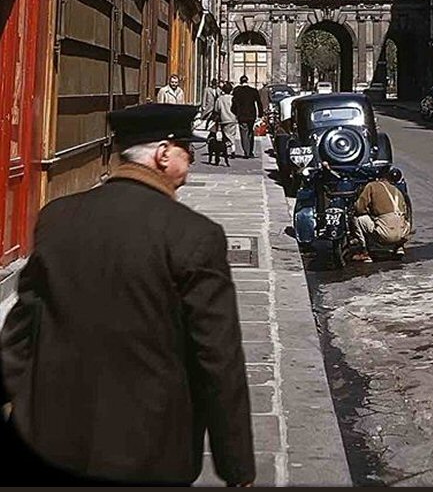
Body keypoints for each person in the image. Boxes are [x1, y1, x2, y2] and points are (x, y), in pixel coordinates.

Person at [0, 103, 255, 487]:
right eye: (187, 149)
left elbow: (22, 329)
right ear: (163, 154)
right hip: (148, 452)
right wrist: (237, 468)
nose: (190, 162)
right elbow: (218, 358)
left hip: (49, 438)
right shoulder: (194, 235)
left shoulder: (58, 217)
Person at [351, 164, 411, 263]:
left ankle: (365, 252)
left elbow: (359, 208)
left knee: (358, 219)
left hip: (386, 233)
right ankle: (399, 248)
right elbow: (405, 212)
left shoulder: (371, 186)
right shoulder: (397, 190)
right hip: (402, 232)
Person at [231, 75, 262, 159]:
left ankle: (246, 151)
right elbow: (259, 103)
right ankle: (250, 151)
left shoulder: (237, 91)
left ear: (240, 81)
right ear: (247, 81)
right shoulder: (253, 91)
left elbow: (233, 103)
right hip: (251, 115)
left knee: (244, 133)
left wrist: (235, 113)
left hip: (241, 115)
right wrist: (260, 114)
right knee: (250, 132)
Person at [212, 82, 238, 165]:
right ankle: (233, 149)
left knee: (225, 136)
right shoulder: (233, 98)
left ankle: (226, 149)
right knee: (232, 135)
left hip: (223, 119)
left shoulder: (220, 99)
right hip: (232, 119)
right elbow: (236, 108)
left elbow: (216, 109)